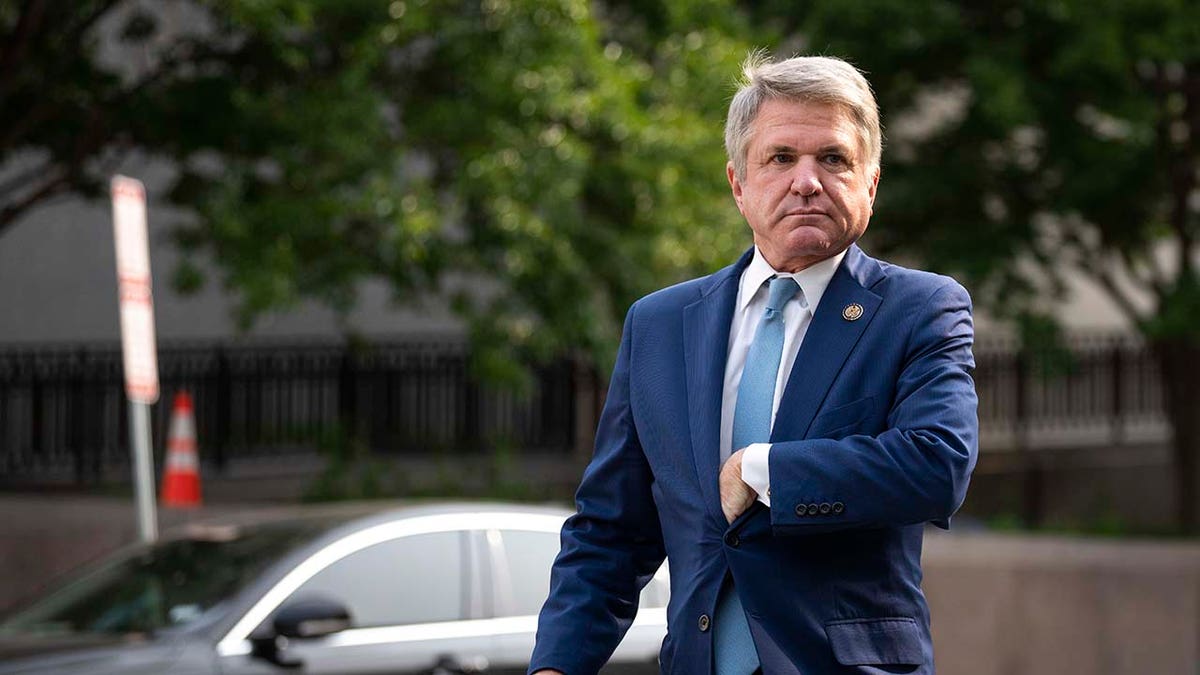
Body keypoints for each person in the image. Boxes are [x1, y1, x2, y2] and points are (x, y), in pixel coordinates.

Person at [529, 53, 978, 675]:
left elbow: (937, 465)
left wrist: (763, 469)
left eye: (833, 158)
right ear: (739, 184)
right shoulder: (659, 325)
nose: (807, 181)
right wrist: (556, 666)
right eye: (780, 158)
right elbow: (610, 531)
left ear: (870, 183)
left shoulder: (919, 309)